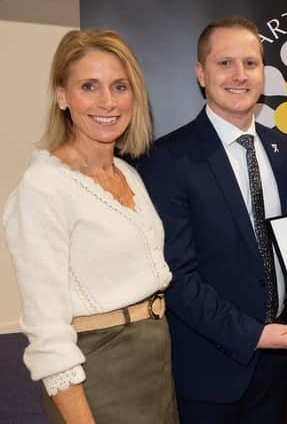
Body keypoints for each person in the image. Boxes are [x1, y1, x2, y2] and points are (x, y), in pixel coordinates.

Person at [137, 16, 287, 424]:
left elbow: (286, 243)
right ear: (201, 74)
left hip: (278, 360)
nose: (240, 75)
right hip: (210, 370)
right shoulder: (167, 159)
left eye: (251, 63)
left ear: (264, 73)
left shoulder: (279, 147)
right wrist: (253, 335)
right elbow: (177, 276)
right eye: (225, 63)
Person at [3, 30, 178, 424]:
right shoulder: (43, 187)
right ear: (62, 95)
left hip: (155, 367)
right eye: (89, 86)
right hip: (98, 371)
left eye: (119, 86)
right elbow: (47, 330)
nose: (108, 102)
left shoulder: (129, 174)